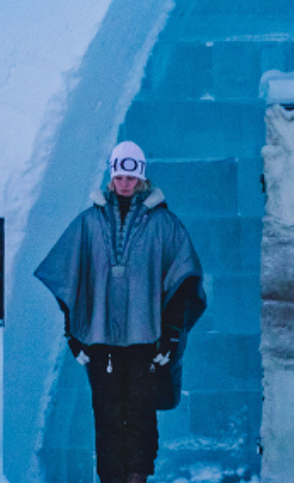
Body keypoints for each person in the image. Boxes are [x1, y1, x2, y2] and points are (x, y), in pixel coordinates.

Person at [35, 141, 206, 483]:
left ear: (141, 177)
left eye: (131, 175)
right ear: (112, 176)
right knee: (107, 413)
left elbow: (184, 279)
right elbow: (67, 275)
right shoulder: (89, 224)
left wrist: (171, 333)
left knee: (141, 413)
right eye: (119, 175)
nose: (125, 182)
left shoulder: (164, 224)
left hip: (147, 340)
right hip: (100, 342)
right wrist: (74, 333)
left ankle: (137, 479)